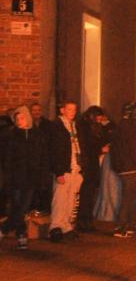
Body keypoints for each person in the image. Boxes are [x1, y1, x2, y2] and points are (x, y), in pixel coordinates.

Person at [1, 106, 47, 249]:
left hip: (31, 178)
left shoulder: (37, 135)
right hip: (16, 177)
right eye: (17, 118)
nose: (20, 121)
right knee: (17, 207)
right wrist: (7, 178)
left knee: (22, 207)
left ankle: (4, 229)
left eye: (22, 118)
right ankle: (22, 235)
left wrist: (42, 177)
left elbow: (42, 157)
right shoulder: (11, 136)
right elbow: (7, 159)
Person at [48, 100, 83, 242]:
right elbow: (55, 150)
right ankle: (55, 226)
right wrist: (59, 171)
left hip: (76, 167)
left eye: (74, 110)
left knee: (71, 199)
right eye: (69, 109)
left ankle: (66, 226)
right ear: (62, 110)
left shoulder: (74, 126)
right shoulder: (57, 127)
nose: (72, 112)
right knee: (60, 198)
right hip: (64, 168)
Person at [111, 102, 136, 237]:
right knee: (129, 197)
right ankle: (124, 225)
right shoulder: (131, 127)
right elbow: (135, 148)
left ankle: (127, 224)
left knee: (128, 196)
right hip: (130, 166)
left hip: (122, 166)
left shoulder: (120, 126)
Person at [76, 106, 113, 231]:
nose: (99, 119)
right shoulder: (85, 128)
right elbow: (86, 146)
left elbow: (103, 138)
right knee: (86, 193)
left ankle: (87, 220)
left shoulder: (93, 127)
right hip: (88, 164)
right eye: (98, 117)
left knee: (90, 193)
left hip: (92, 163)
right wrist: (100, 149)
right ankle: (83, 221)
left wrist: (106, 125)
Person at [29, 102, 52, 213]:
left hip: (44, 161)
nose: (36, 112)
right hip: (32, 161)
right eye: (34, 110)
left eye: (38, 110)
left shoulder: (48, 125)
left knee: (44, 187)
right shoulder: (28, 125)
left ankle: (44, 210)